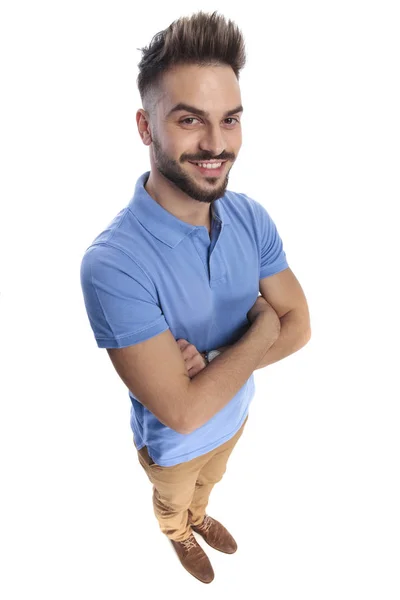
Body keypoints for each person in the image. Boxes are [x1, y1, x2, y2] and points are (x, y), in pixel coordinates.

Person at [80, 10, 311, 584]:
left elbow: (302, 326)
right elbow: (181, 413)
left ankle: (201, 515)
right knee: (176, 491)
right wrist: (261, 327)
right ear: (145, 126)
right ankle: (176, 529)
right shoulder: (113, 263)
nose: (216, 144)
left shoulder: (249, 216)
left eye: (230, 119)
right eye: (189, 120)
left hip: (235, 416)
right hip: (172, 448)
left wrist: (206, 369)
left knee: (215, 476)